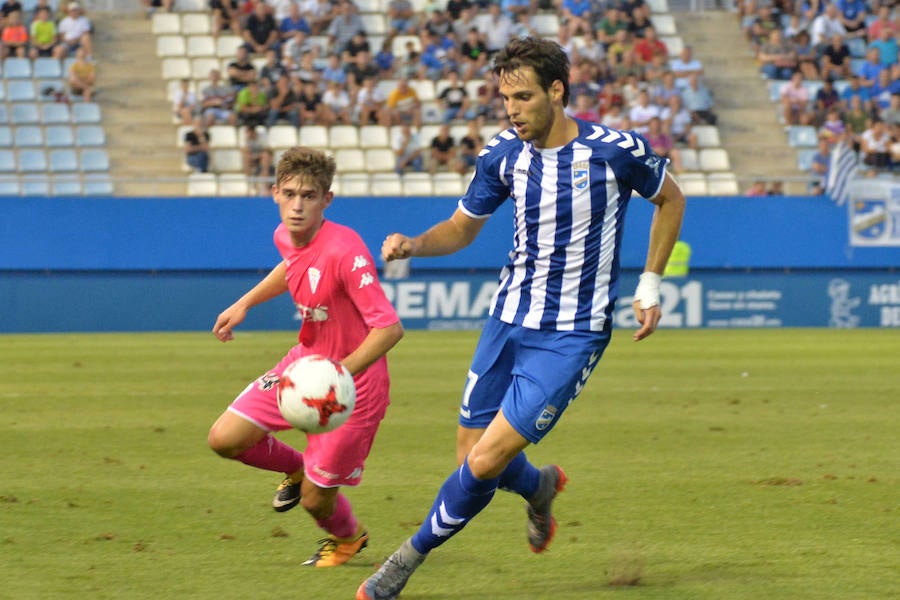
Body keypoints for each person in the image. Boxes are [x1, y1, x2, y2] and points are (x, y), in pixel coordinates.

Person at [356, 36, 685, 600]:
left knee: (483, 460)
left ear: (557, 91)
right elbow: (462, 227)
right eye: (505, 97)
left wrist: (650, 283)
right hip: (507, 320)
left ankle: (403, 562)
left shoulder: (614, 151)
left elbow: (671, 199)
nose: (512, 109)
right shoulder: (502, 154)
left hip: (571, 336)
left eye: (523, 97)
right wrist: (414, 244)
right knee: (471, 455)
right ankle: (539, 486)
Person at [208, 146, 404, 568]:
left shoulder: (346, 252)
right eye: (291, 194)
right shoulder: (285, 234)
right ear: (275, 192)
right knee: (225, 438)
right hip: (304, 364)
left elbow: (389, 328)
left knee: (317, 502)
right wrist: (246, 302)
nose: (298, 206)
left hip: (354, 385)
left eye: (309, 196)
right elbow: (291, 265)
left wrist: (337, 375)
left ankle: (349, 538)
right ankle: (298, 469)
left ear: (326, 200)